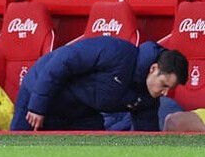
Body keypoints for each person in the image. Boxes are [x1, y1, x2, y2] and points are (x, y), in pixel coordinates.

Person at [10, 36, 189, 131]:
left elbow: (147, 137)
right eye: (164, 84)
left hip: (80, 112)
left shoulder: (148, 98)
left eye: (170, 88)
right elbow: (62, 61)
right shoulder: (116, 52)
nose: (165, 93)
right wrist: (38, 105)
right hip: (40, 93)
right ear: (153, 68)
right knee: (18, 151)